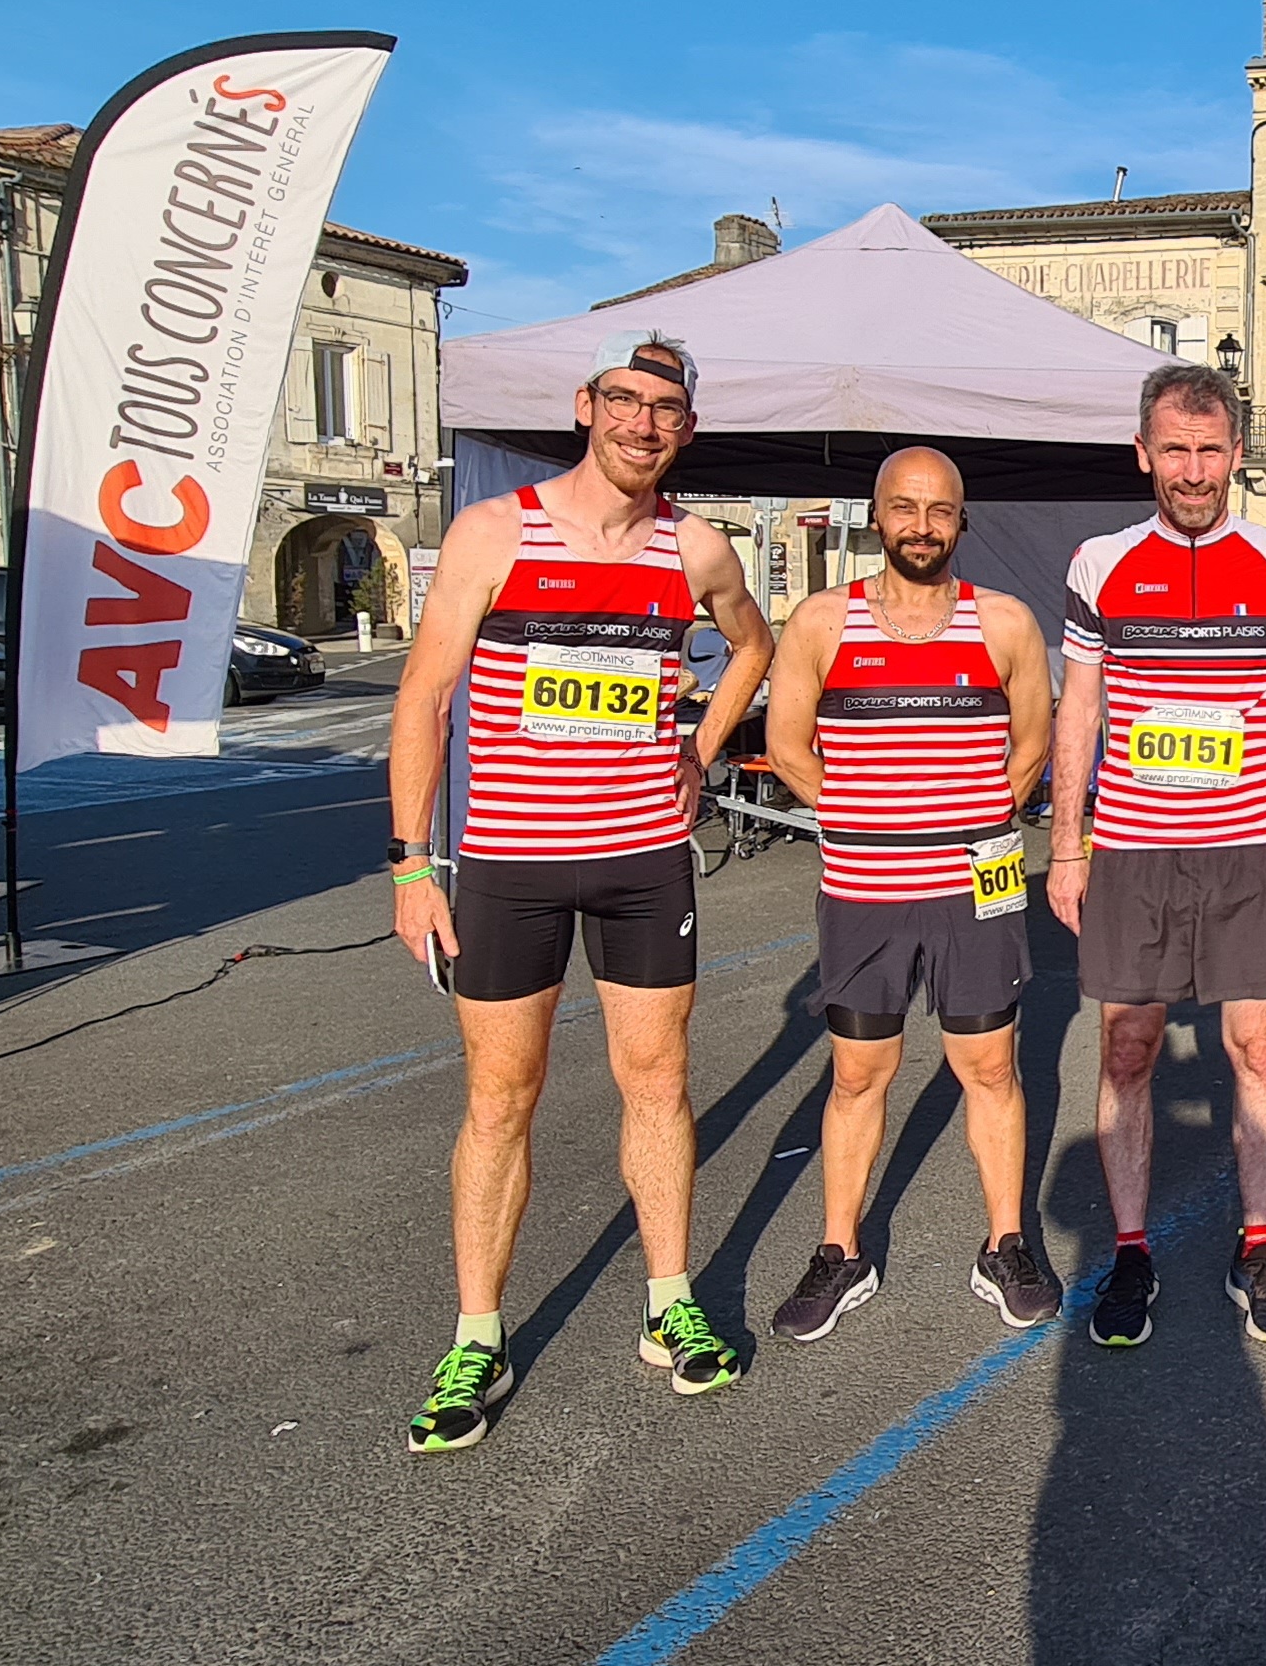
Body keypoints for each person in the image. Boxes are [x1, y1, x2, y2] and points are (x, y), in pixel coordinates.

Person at [388, 330, 775, 1452]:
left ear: (687, 429)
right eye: (623, 400)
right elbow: (423, 697)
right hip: (512, 862)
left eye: (663, 409)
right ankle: (477, 1337)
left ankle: (670, 1304)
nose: (640, 423)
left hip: (646, 861)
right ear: (585, 405)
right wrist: (412, 860)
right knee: (501, 1100)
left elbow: (749, 645)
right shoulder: (494, 531)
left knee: (657, 1084)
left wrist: (700, 744)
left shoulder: (695, 547)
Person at [1048, 363, 1266, 1347]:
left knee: (1255, 1046)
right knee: (1128, 1049)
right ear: (1144, 454)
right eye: (1175, 449)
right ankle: (1131, 1250)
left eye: (1211, 450)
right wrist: (1067, 843)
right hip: (1132, 850)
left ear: (1237, 456)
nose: (1194, 470)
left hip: (1251, 848)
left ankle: (1258, 1242)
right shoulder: (1100, 562)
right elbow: (1078, 706)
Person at [761, 447, 1059, 1341]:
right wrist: (871, 817)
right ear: (877, 516)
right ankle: (840, 1253)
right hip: (864, 887)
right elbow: (786, 749)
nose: (921, 526)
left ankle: (1004, 1244)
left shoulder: (1004, 623)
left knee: (992, 1068)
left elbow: (1034, 747)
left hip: (978, 883)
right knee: (859, 1074)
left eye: (939, 511)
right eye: (904, 508)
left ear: (962, 522)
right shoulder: (820, 622)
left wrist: (965, 821)